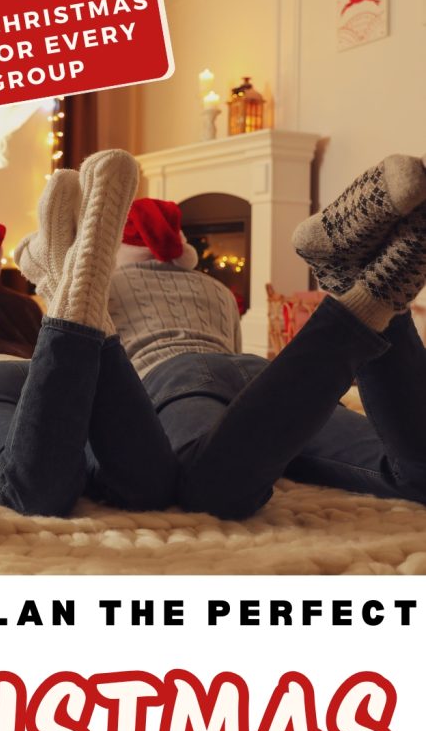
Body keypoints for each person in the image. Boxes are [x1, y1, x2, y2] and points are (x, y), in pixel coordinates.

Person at [102, 154, 426, 518]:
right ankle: (367, 290)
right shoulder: (217, 289)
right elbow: (233, 355)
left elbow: (91, 367)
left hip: (176, 375)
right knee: (415, 474)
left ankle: (362, 295)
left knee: (212, 488)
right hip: (257, 372)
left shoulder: (104, 286)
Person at [0, 149, 178, 517]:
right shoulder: (25, 306)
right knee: (147, 486)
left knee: (32, 491)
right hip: (38, 381)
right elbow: (55, 365)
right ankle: (69, 278)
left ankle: (75, 278)